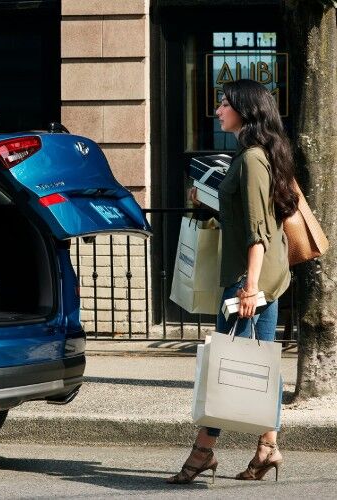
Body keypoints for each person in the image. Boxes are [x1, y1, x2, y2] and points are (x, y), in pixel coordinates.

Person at [167, 79, 299, 484]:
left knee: (226, 366)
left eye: (225, 103)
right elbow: (249, 217)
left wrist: (249, 288)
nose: (218, 110)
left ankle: (203, 452)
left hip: (251, 278)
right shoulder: (252, 155)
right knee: (257, 364)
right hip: (259, 275)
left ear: (245, 111)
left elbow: (258, 231)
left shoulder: (253, 158)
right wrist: (210, 204)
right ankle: (267, 446)